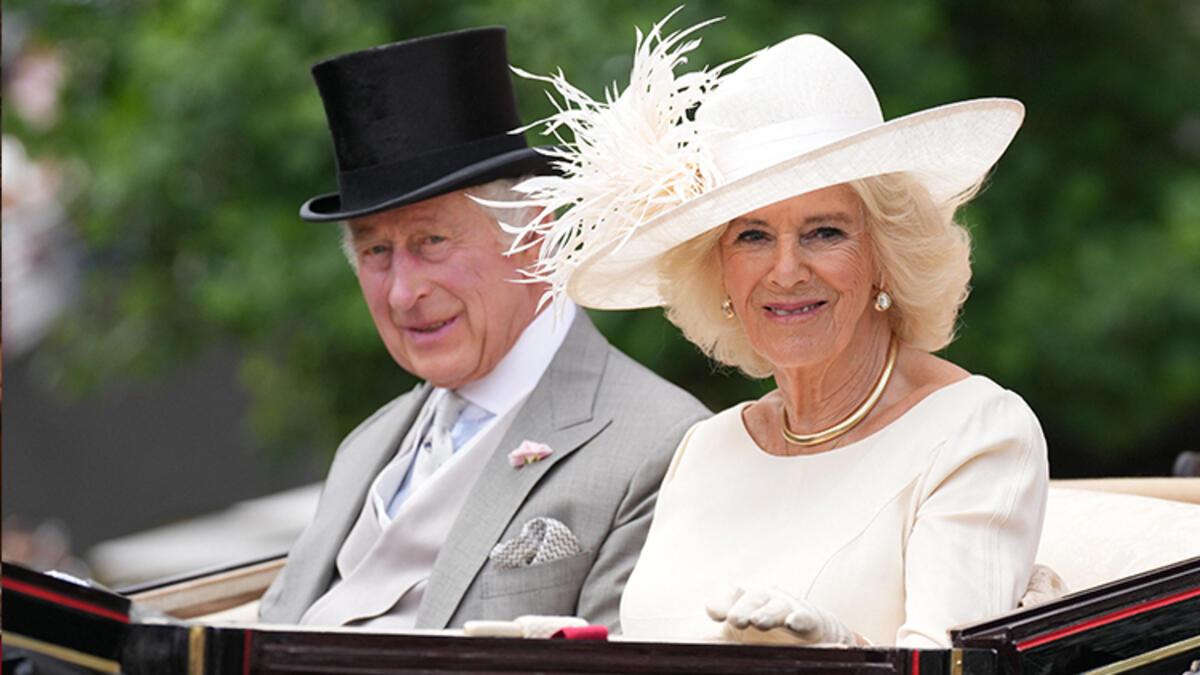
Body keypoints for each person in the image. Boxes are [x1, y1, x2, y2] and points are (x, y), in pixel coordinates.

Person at [503, 17, 1049, 647]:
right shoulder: (706, 447)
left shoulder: (975, 430)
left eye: (825, 232)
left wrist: (836, 653)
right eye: (753, 236)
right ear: (719, 272)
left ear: (886, 257)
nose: (786, 271)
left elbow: (952, 664)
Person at [257, 27, 709, 632]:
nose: (403, 292)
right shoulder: (367, 446)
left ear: (533, 234)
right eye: (375, 252)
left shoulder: (663, 446)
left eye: (432, 241)